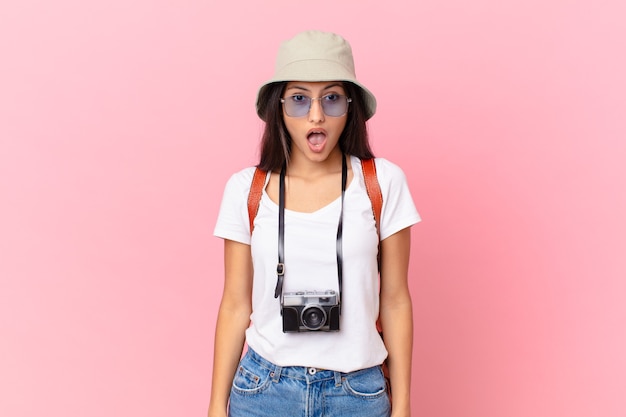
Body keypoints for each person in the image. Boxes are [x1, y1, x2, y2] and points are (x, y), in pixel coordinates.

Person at [209, 30, 420, 417]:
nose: (317, 114)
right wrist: (215, 406)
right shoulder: (245, 190)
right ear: (279, 107)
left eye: (332, 98)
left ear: (350, 106)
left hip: (356, 392)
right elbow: (235, 304)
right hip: (263, 390)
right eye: (300, 99)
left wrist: (403, 405)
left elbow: (395, 300)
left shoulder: (383, 184)